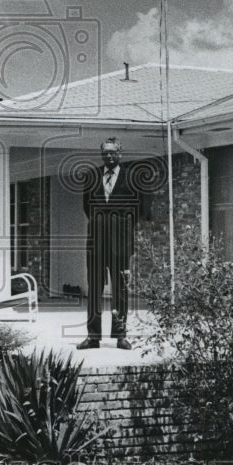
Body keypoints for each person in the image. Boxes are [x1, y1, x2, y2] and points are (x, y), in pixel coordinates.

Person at [76, 138, 151, 350]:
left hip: (120, 244)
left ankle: (120, 336)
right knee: (94, 291)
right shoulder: (92, 176)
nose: (109, 156)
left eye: (112, 152)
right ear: (102, 155)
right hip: (96, 243)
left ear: (120, 153)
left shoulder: (132, 177)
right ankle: (93, 337)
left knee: (120, 291)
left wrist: (123, 223)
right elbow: (86, 206)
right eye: (105, 153)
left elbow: (142, 207)